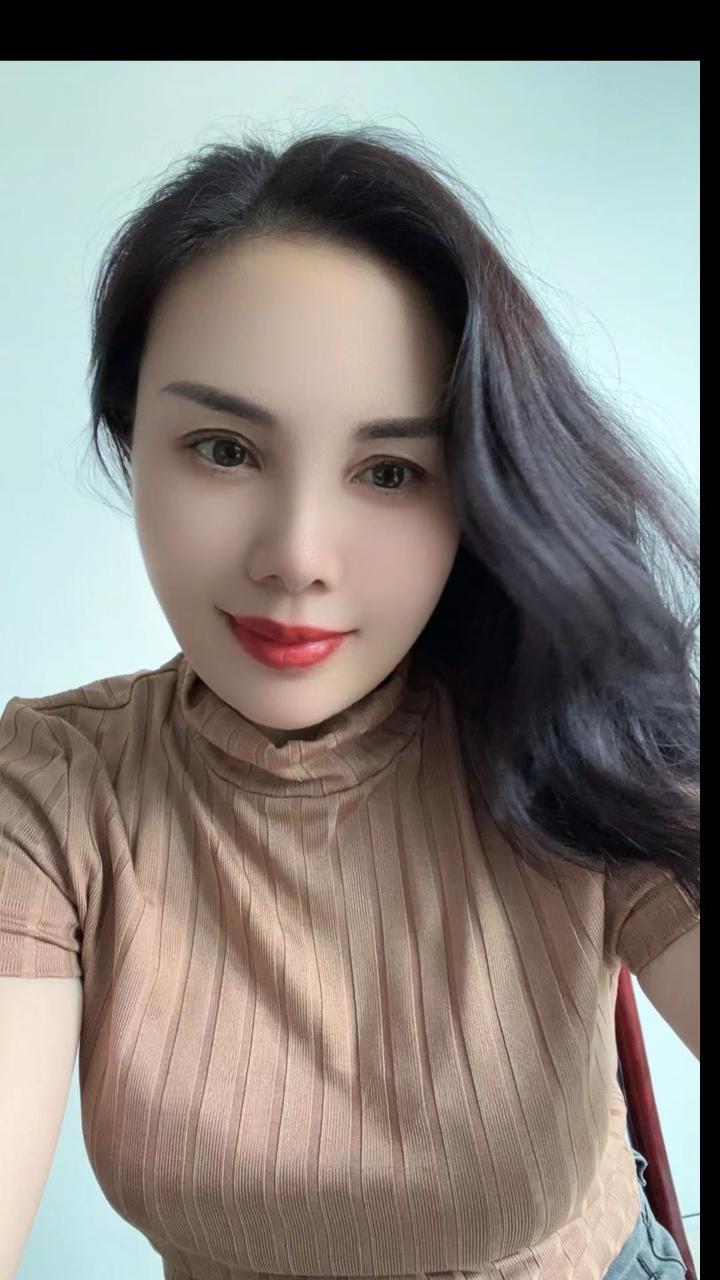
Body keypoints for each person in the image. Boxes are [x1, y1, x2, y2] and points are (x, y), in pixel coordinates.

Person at [0, 126, 698, 1280]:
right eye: (224, 448)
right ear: (134, 441)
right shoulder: (50, 791)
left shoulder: (571, 730)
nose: (296, 555)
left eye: (389, 471)